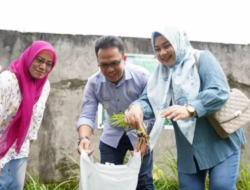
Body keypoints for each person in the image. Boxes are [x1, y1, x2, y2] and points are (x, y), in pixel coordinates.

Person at [125, 27, 246, 190]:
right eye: (157, 49)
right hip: (188, 152)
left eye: (167, 45)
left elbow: (219, 90)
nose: (162, 52)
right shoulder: (160, 75)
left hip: (219, 142)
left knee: (221, 187)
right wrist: (137, 107)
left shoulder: (202, 58)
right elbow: (150, 100)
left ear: (178, 42)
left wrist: (190, 109)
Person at [76, 35, 155, 190]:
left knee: (143, 180)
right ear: (98, 63)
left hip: (140, 136)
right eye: (104, 65)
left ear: (124, 58)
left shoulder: (142, 77)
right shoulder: (94, 83)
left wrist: (144, 138)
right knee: (108, 181)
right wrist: (83, 138)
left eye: (114, 63)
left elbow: (153, 109)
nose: (110, 69)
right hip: (112, 136)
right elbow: (87, 113)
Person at [0, 41, 57, 190]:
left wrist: (28, 145)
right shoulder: (8, 80)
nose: (43, 67)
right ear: (29, 57)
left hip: (19, 150)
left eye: (49, 63)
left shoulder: (44, 86)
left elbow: (37, 117)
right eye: (39, 60)